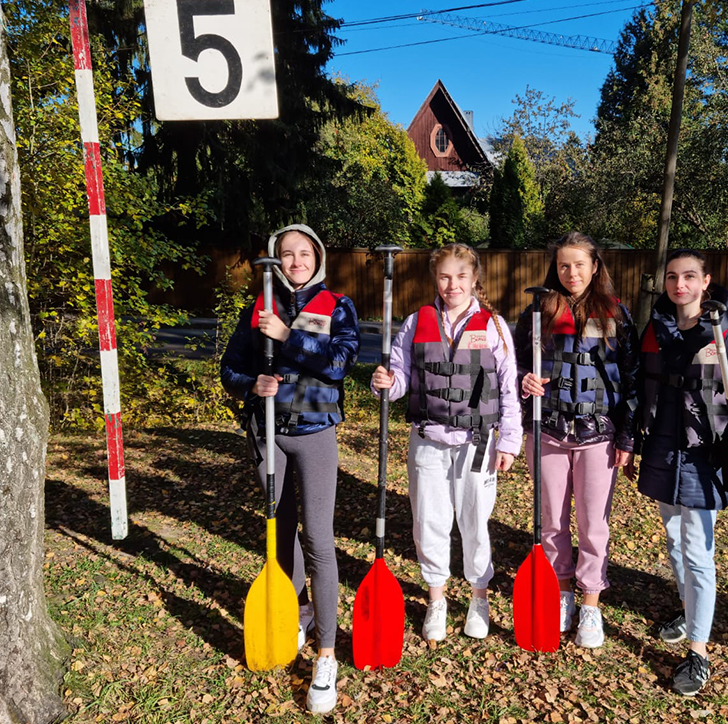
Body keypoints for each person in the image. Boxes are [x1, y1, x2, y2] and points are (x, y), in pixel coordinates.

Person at [220, 224, 359, 715]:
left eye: (304, 253)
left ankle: (327, 654)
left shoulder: (337, 306)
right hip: (268, 434)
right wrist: (250, 385)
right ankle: (296, 610)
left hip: (315, 433)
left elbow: (340, 364)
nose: (296, 261)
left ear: (317, 257)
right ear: (275, 260)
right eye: (287, 254)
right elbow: (230, 367)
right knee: (279, 533)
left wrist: (288, 337)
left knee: (318, 539)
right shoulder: (260, 305)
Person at [627, 248, 728, 696]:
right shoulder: (657, 329)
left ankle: (699, 652)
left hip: (703, 455)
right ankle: (688, 611)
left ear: (706, 282)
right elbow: (638, 386)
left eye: (688, 276)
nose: (679, 284)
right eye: (671, 277)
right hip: (662, 450)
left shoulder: (725, 334)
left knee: (699, 553)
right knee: (673, 540)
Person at [371, 244, 522, 642]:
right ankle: (436, 598)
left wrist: (509, 441)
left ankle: (478, 597)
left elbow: (509, 387)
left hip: (477, 442)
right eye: (444, 277)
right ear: (435, 280)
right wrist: (386, 383)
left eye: (460, 276)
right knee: (429, 521)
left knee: (475, 521)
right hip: (428, 439)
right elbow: (399, 378)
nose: (452, 285)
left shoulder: (493, 325)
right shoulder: (416, 322)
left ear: (475, 279)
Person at [515, 231, 638, 649]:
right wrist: (523, 379)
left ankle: (590, 604)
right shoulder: (538, 311)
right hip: (548, 431)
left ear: (595, 266)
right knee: (551, 520)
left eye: (580, 265)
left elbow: (631, 379)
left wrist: (627, 437)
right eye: (564, 265)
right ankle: (562, 592)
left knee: (593, 524)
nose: (572, 273)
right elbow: (515, 364)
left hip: (597, 434)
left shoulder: (616, 314)